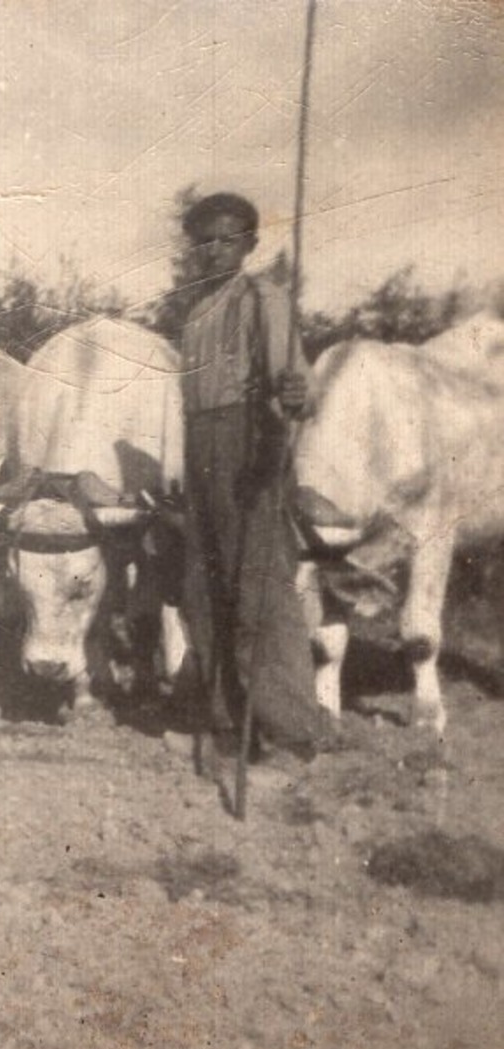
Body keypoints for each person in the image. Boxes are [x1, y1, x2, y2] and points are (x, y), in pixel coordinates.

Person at [175, 191, 333, 760]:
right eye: (202, 241)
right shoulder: (194, 316)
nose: (213, 251)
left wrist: (293, 394)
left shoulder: (265, 300)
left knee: (258, 592)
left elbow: (298, 388)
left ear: (248, 244)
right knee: (203, 590)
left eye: (225, 239)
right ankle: (227, 724)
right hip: (200, 453)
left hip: (249, 453)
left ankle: (290, 734)